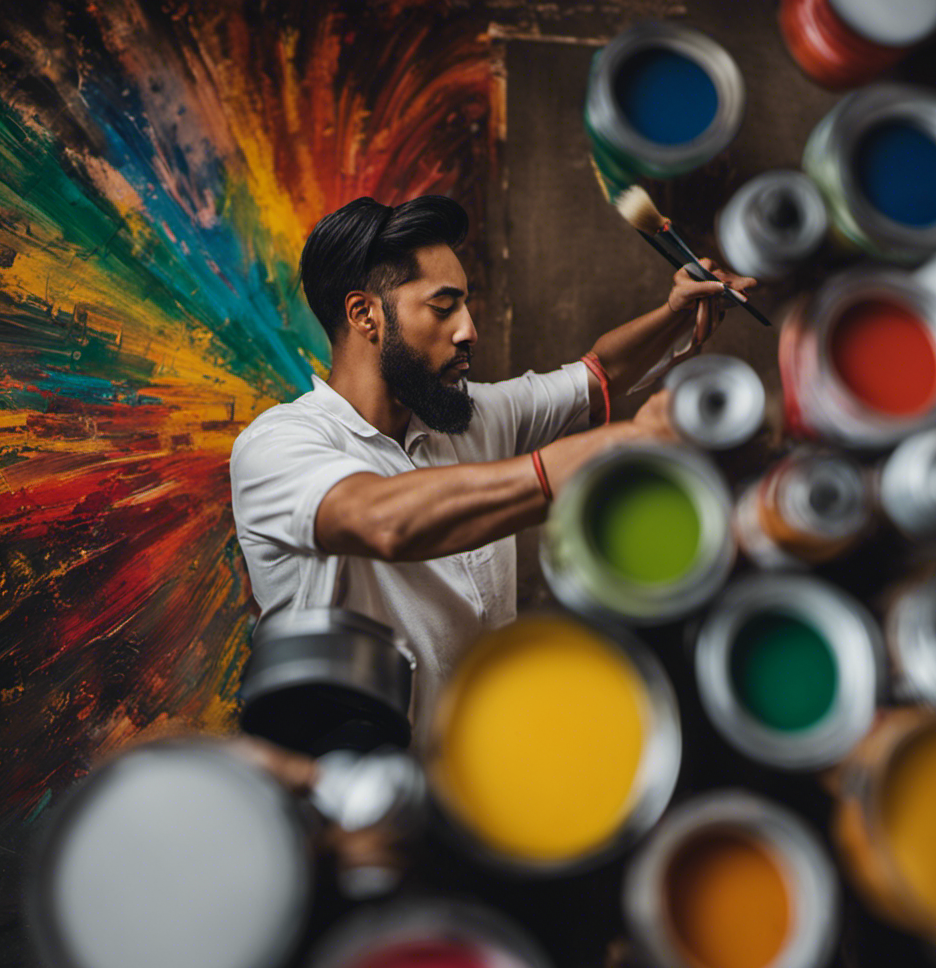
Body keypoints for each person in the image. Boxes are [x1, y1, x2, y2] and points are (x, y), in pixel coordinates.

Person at [230, 195, 754, 724]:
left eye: (465, 305)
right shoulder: (278, 445)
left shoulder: (467, 415)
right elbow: (381, 520)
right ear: (365, 315)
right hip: (357, 786)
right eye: (443, 307)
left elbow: (598, 375)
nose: (468, 330)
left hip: (489, 760)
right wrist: (587, 459)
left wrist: (674, 312)